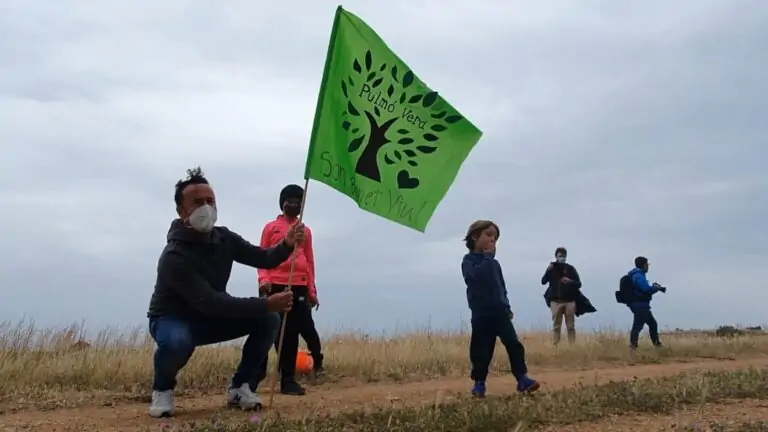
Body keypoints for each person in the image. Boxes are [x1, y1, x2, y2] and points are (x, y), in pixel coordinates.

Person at [145, 167, 303, 418]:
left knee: (269, 319)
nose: (206, 207)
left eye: (210, 201)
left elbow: (263, 257)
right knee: (177, 342)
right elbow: (212, 302)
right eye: (197, 202)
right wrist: (266, 303)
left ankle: (241, 387)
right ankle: (162, 390)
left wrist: (286, 245)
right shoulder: (173, 256)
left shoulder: (224, 238)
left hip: (209, 319)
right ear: (181, 211)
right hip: (172, 319)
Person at [462, 220, 539, 398]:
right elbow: (479, 276)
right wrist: (488, 258)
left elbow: (500, 287)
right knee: (481, 350)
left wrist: (507, 306)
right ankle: (479, 383)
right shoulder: (468, 261)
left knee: (513, 344)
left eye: (495, 238)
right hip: (481, 314)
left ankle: (522, 378)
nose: (493, 241)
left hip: (500, 312)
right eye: (488, 235)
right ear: (475, 236)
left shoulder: (495, 264)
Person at [253, 184, 318, 396]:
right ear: (283, 203)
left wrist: (311, 291)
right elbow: (262, 257)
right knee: (267, 330)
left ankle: (288, 380)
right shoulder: (271, 228)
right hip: (274, 285)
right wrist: (264, 280)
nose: (295, 204)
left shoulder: (305, 231)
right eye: (290, 200)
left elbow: (309, 261)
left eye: (299, 200)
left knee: (291, 335)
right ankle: (255, 374)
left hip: (298, 285)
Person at [540, 247, 582, 345]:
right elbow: (543, 281)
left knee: (570, 326)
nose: (562, 258)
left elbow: (579, 284)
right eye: (560, 256)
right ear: (556, 257)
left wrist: (570, 281)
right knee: (556, 326)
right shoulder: (552, 269)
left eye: (563, 256)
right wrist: (547, 271)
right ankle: (556, 345)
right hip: (556, 302)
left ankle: (572, 346)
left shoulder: (570, 269)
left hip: (569, 302)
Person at [626, 256, 667, 349]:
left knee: (652, 324)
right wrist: (656, 288)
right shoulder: (638, 276)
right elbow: (646, 289)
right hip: (640, 305)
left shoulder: (635, 275)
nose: (648, 266)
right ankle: (633, 348)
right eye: (647, 264)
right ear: (644, 265)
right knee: (637, 327)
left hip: (640, 305)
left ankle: (657, 346)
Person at [299, 283, 325, 373]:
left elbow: (308, 271)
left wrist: (312, 294)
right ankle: (285, 371)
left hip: (301, 290)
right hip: (278, 287)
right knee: (284, 335)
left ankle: (317, 366)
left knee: (309, 331)